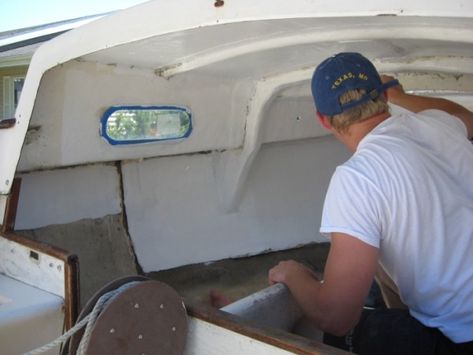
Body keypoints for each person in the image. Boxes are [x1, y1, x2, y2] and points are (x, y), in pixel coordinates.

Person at [268, 52, 473, 354]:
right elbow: (465, 116)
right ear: (382, 96)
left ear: (323, 120)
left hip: (463, 337)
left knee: (344, 334)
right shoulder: (440, 125)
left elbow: (335, 316)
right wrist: (402, 95)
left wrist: (292, 273)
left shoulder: (358, 177)